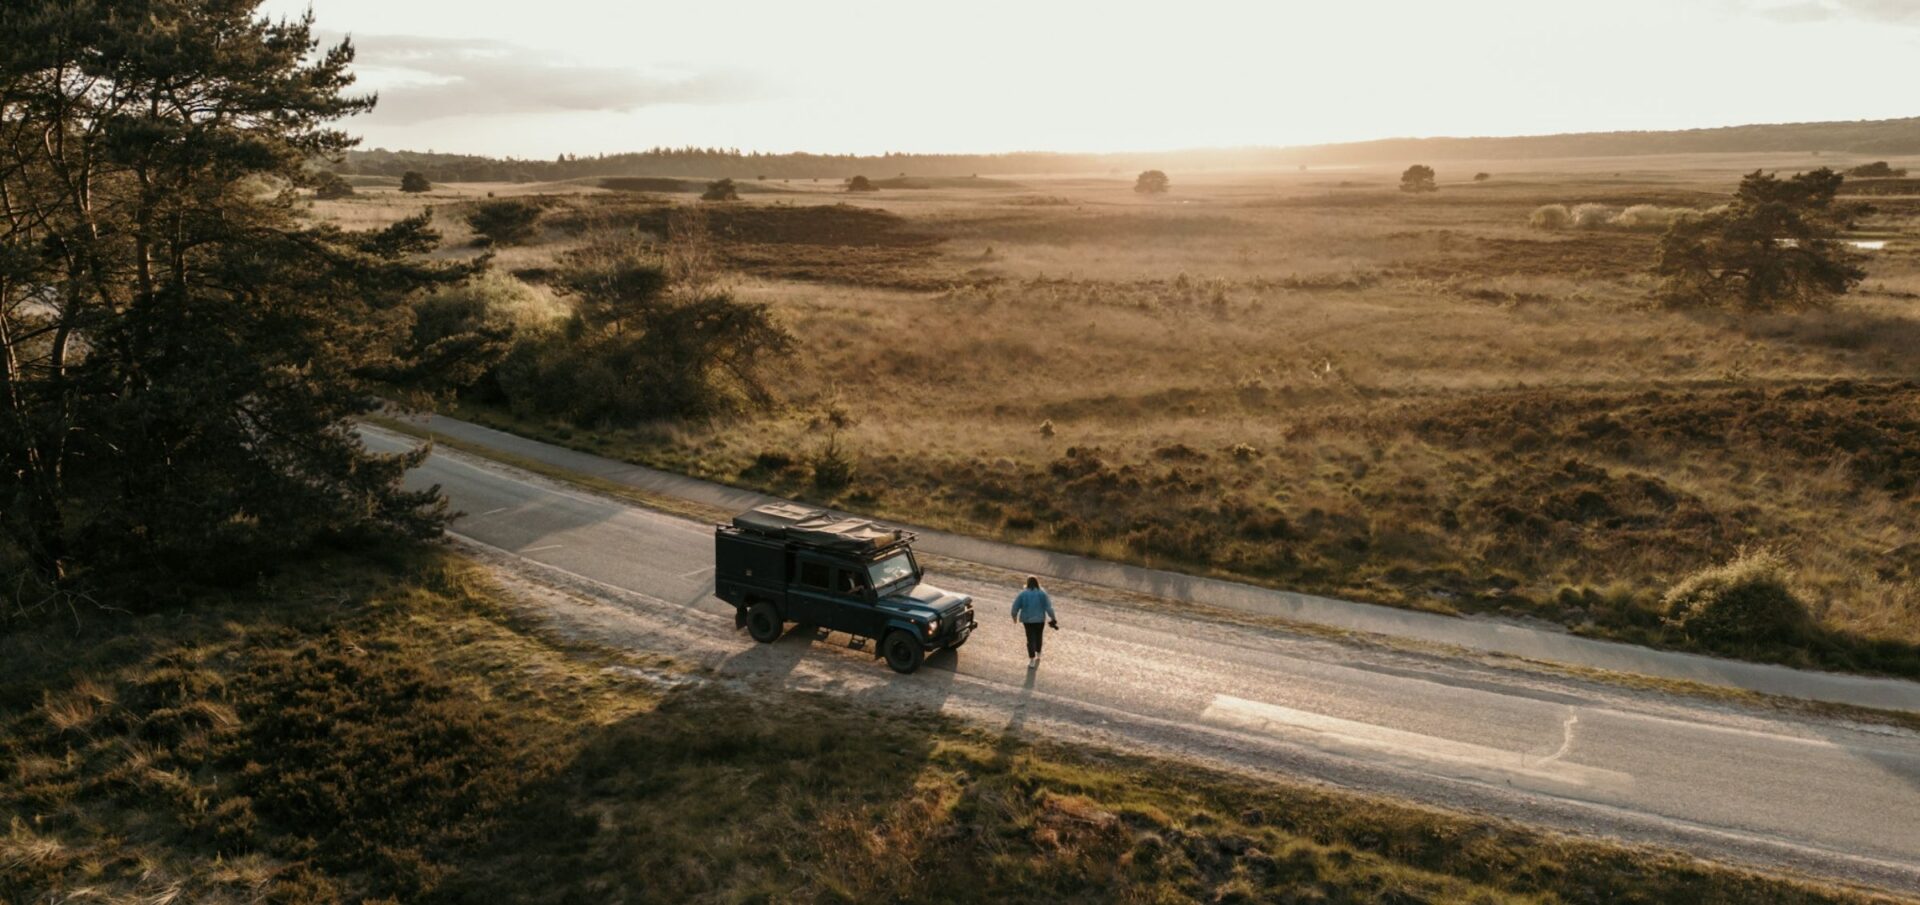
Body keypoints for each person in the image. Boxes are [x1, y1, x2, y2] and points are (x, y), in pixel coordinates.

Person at [1009, 576, 1058, 668]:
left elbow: (1015, 606)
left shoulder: (1023, 594)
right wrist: (1053, 618)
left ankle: (1031, 659)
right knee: (1039, 636)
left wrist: (1014, 616)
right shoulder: (1042, 593)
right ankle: (1038, 653)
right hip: (1040, 620)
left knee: (1030, 639)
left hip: (1027, 620)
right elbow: (1048, 607)